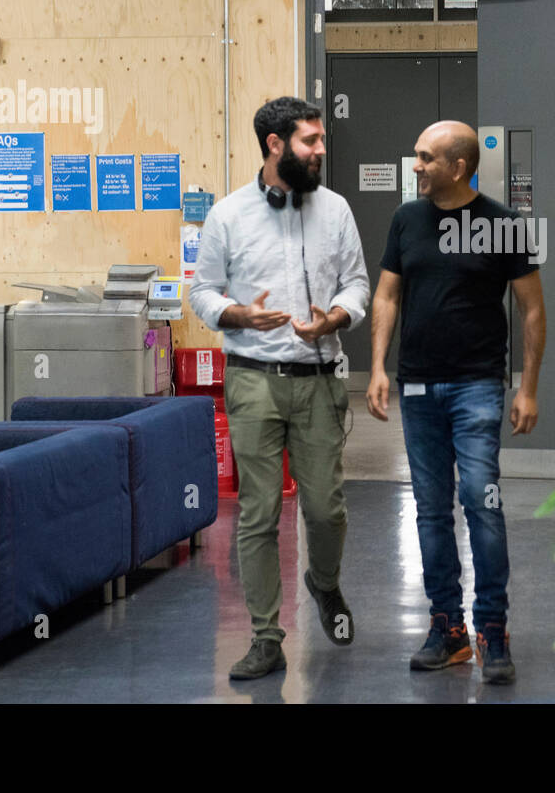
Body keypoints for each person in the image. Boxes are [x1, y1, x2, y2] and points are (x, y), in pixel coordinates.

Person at [190, 96, 370, 681]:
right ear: (274, 145)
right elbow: (203, 292)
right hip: (253, 382)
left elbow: (358, 285)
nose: (321, 150)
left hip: (319, 380)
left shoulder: (337, 210)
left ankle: (323, 581)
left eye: (320, 140)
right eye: (309, 141)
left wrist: (335, 319)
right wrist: (238, 316)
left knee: (325, 508)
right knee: (258, 513)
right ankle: (266, 637)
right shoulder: (228, 215)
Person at [367, 120, 546, 685]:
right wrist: (376, 367)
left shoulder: (506, 226)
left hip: (477, 387)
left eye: (425, 158)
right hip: (417, 387)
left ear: (458, 167)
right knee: (429, 511)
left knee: (482, 503)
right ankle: (448, 631)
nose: (415, 165)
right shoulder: (406, 220)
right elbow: (388, 294)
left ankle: (493, 631)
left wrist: (529, 386)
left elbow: (533, 311)